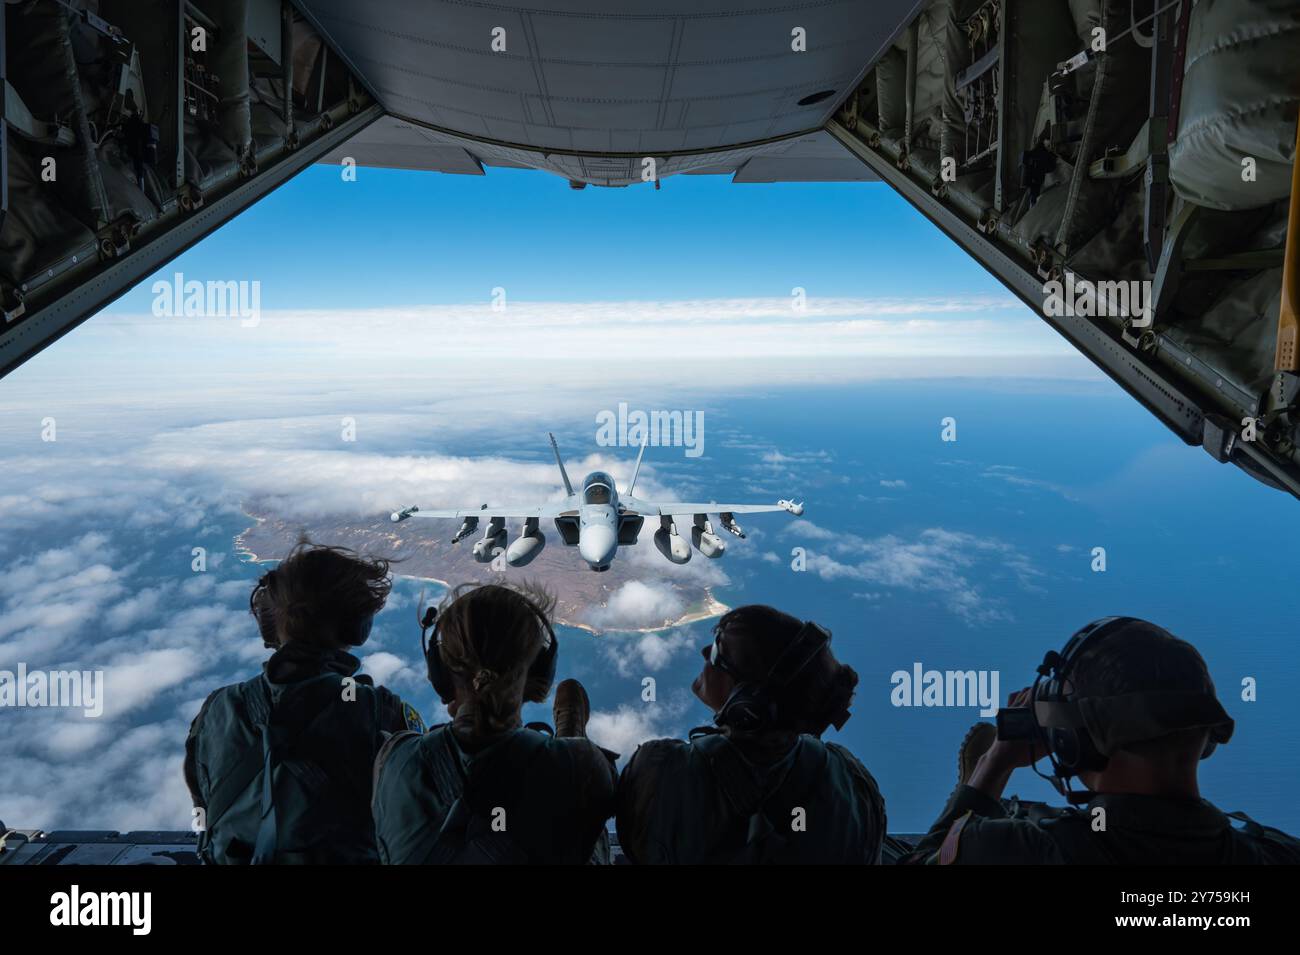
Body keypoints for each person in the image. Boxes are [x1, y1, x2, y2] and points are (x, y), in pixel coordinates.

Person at [906, 616, 1300, 864]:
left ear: (1070, 740)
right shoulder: (1277, 852)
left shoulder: (1018, 849)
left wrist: (995, 761)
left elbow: (922, 861)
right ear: (1205, 736)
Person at [184, 541, 423, 864]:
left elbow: (205, 803)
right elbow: (416, 816)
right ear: (356, 626)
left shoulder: (217, 708)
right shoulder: (380, 712)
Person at [616, 605, 887, 864]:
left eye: (716, 654)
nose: (704, 651)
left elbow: (637, 847)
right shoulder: (852, 781)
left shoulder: (660, 770)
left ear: (747, 702)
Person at [371, 582, 617, 864]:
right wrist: (577, 756)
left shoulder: (395, 759)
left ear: (439, 675)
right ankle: (570, 734)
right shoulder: (584, 766)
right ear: (540, 674)